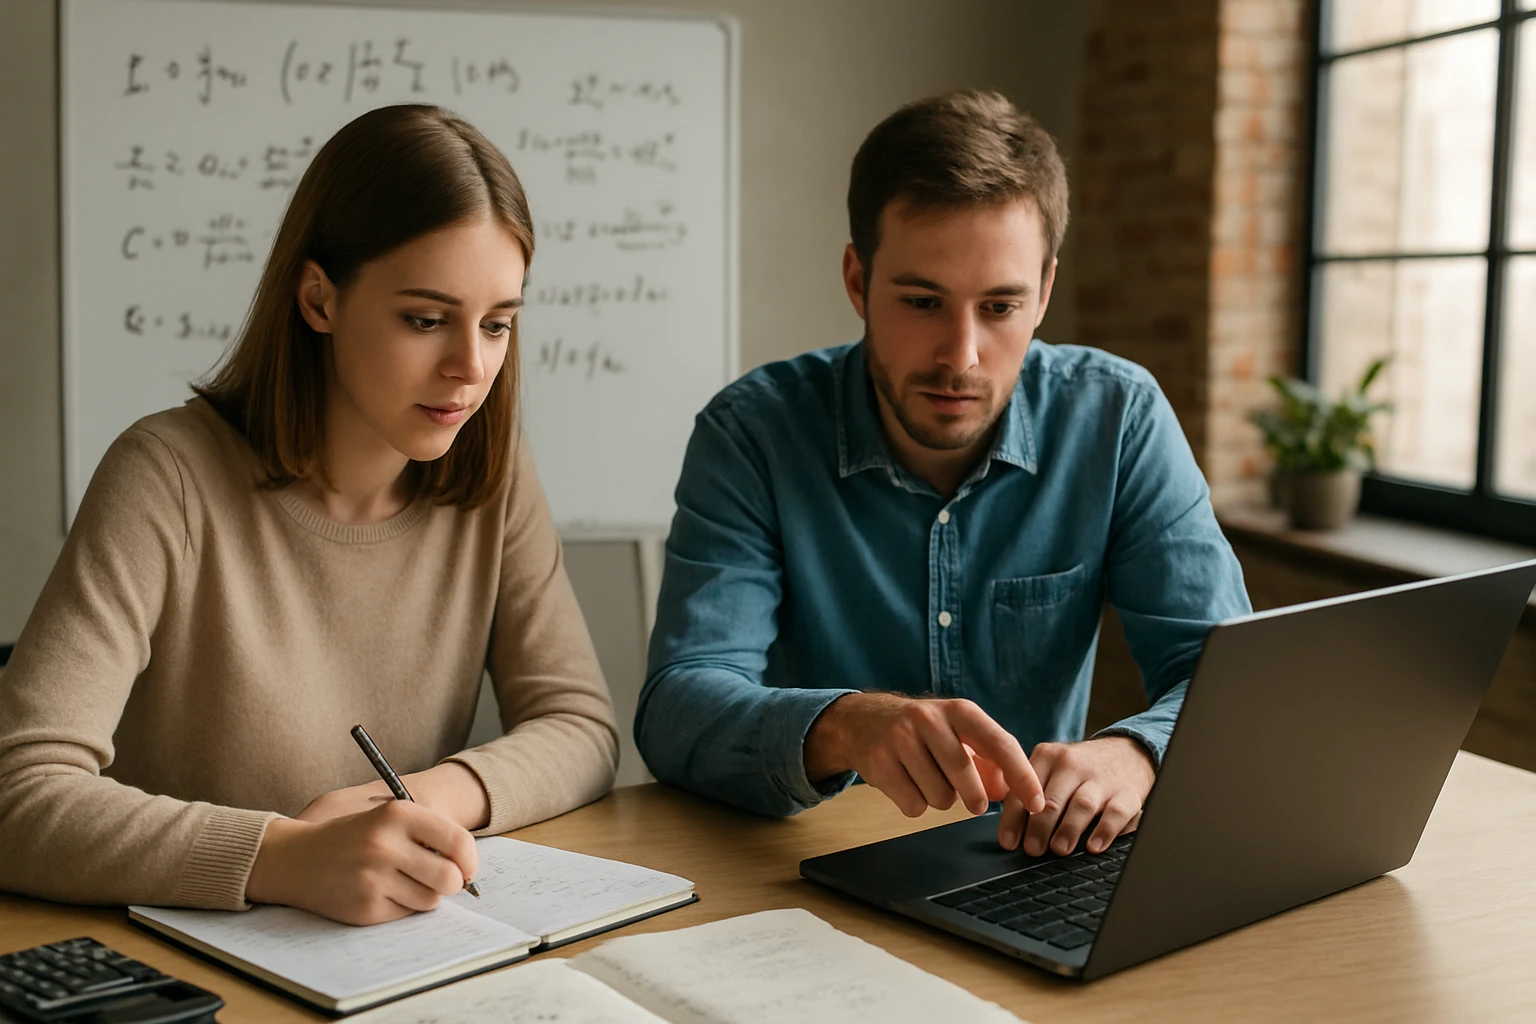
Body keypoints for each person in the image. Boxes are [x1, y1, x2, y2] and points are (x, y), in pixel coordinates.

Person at [0, 105, 618, 925]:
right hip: (195, 969)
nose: (471, 368)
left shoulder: (492, 472)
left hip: (403, 961)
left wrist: (423, 802)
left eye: (498, 324)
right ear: (320, 299)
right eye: (426, 320)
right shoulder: (166, 476)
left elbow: (580, 725)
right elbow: (19, 794)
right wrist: (282, 855)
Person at [637, 89, 1250, 858]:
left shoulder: (1117, 420)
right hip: (806, 873)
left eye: (999, 307)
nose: (960, 355)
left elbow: (1228, 679)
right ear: (858, 281)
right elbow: (678, 709)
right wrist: (844, 724)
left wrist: (1137, 751)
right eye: (923, 301)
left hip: (1033, 866)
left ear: (1045, 293)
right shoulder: (753, 434)